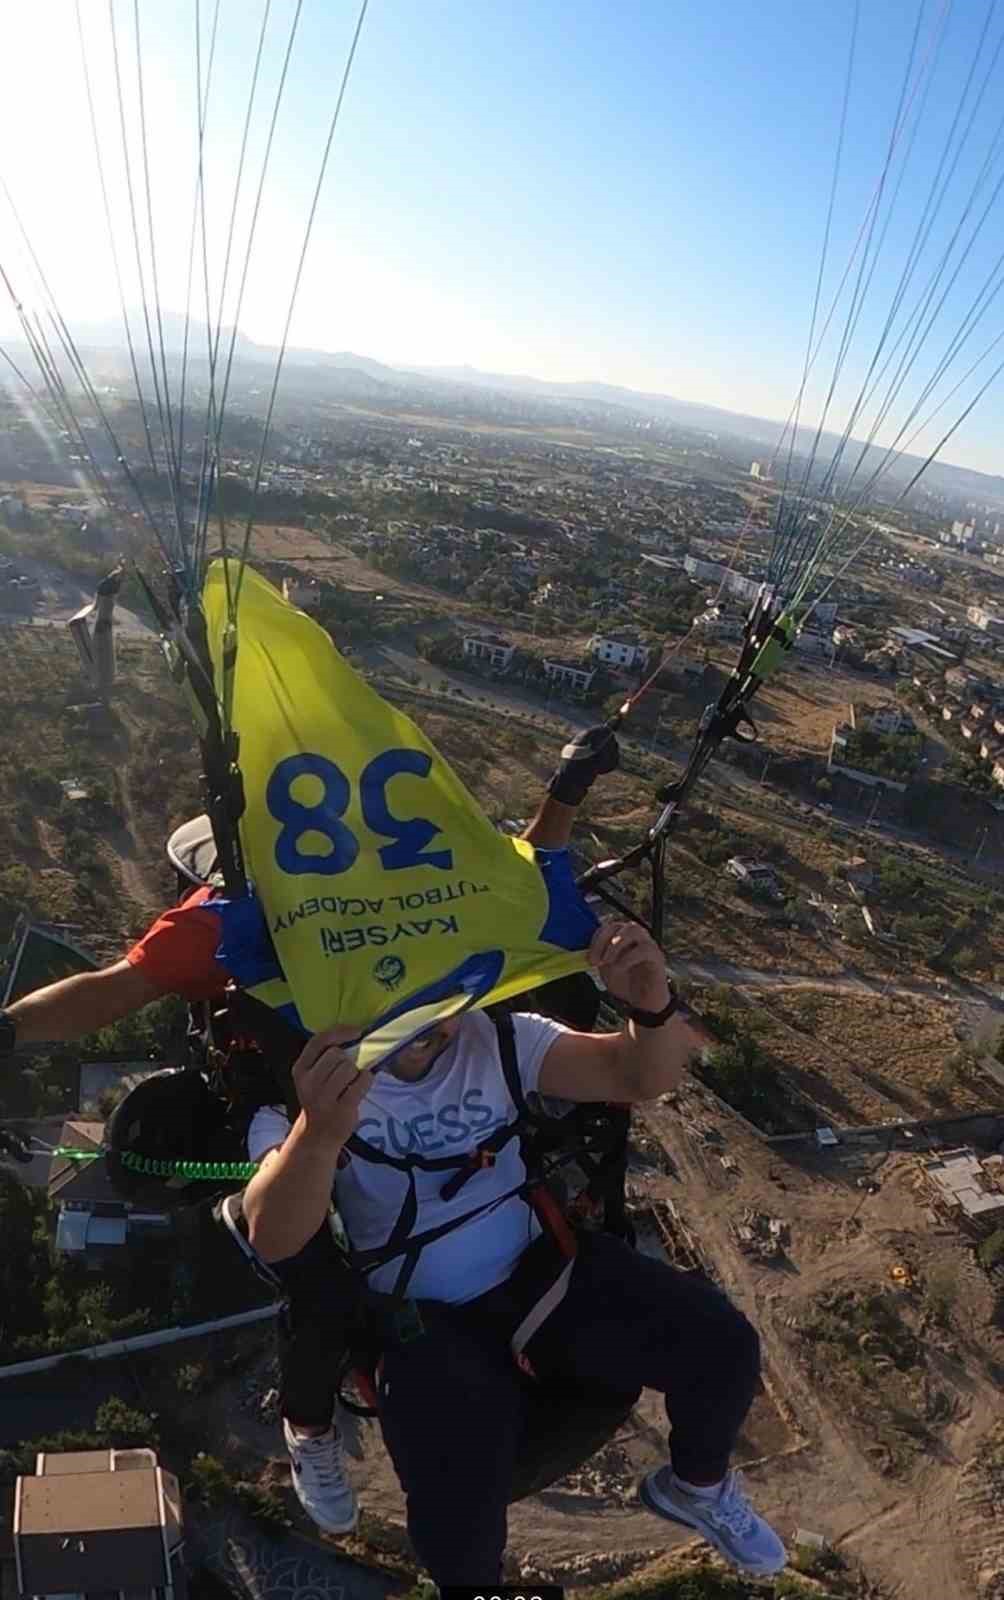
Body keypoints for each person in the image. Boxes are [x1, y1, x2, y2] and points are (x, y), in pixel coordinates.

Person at [0, 723, 625, 1538]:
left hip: (408, 1073)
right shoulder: (222, 919)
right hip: (290, 1100)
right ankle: (311, 1427)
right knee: (317, 1279)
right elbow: (108, 991)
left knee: (526, 1147)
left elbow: (513, 883)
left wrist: (565, 793)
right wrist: (9, 1032)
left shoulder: (403, 878)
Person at [242, 921, 787, 1586]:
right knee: (459, 1506)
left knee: (724, 1346)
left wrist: (650, 1005)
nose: (423, 1029)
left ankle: (695, 1485)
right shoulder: (305, 1093)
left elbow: (638, 1074)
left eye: (432, 1002)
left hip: (541, 1276)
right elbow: (274, 1232)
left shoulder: (499, 1041)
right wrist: (319, 1135)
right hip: (425, 1318)